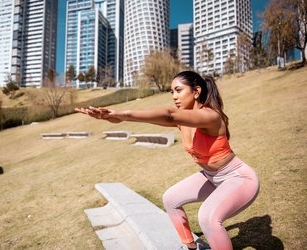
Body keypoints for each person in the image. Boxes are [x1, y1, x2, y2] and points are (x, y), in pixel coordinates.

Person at [75, 71, 260, 250]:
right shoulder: (182, 121)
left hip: (238, 178)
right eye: (172, 92)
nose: (174, 96)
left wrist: (121, 113)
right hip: (212, 177)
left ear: (196, 92)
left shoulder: (210, 116)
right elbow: (158, 118)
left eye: (178, 90)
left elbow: (168, 114)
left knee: (208, 217)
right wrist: (116, 118)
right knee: (170, 198)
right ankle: (190, 246)